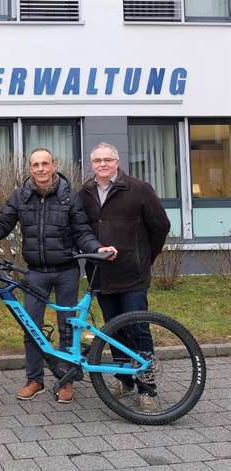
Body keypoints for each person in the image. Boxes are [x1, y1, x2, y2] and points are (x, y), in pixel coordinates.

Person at [0, 148, 116, 403]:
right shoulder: (21, 196)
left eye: (45, 164)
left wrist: (97, 248)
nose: (40, 169)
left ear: (54, 165)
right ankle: (34, 380)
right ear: (30, 168)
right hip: (35, 272)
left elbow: (82, 232)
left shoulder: (70, 196)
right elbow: (2, 223)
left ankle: (67, 380)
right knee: (30, 325)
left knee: (67, 328)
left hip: (66, 270)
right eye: (35, 164)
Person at [80, 142, 170, 412]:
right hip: (101, 275)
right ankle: (124, 379)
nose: (103, 164)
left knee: (138, 330)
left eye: (108, 159)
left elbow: (160, 226)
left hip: (133, 275)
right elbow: (80, 229)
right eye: (97, 160)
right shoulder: (84, 193)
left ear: (117, 162)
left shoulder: (139, 189)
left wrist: (144, 258)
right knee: (112, 330)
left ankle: (148, 388)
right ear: (92, 164)